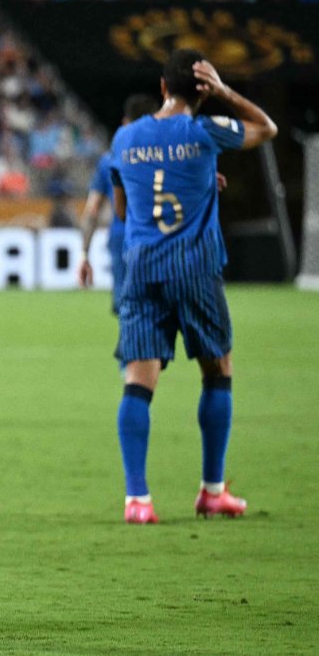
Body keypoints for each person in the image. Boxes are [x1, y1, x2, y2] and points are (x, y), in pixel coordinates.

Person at [109, 50, 276, 524]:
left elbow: (124, 212)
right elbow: (267, 129)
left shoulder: (124, 138)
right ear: (202, 90)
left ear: (163, 87)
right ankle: (212, 491)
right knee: (217, 371)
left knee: (138, 383)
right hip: (194, 268)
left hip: (141, 269)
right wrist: (226, 94)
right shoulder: (203, 133)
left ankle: (137, 500)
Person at [78, 94, 160, 312]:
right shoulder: (167, 156)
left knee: (127, 308)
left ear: (126, 122)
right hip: (162, 236)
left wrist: (84, 254)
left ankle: (132, 344)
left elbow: (92, 210)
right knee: (157, 306)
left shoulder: (109, 160)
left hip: (122, 236)